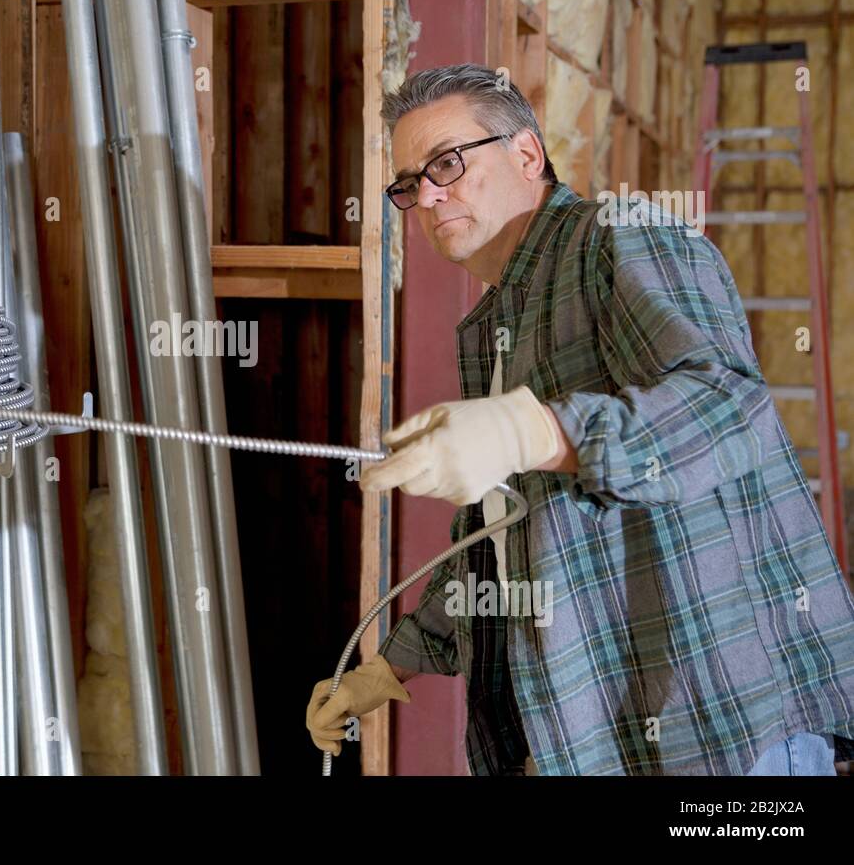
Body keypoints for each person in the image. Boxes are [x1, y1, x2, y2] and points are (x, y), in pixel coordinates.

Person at [306, 63, 854, 775]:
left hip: (724, 725)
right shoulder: (496, 327)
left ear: (527, 153)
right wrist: (382, 673)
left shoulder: (621, 238)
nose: (430, 195)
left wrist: (533, 432)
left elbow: (729, 410)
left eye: (448, 163)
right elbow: (498, 555)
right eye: (411, 184)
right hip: (607, 734)